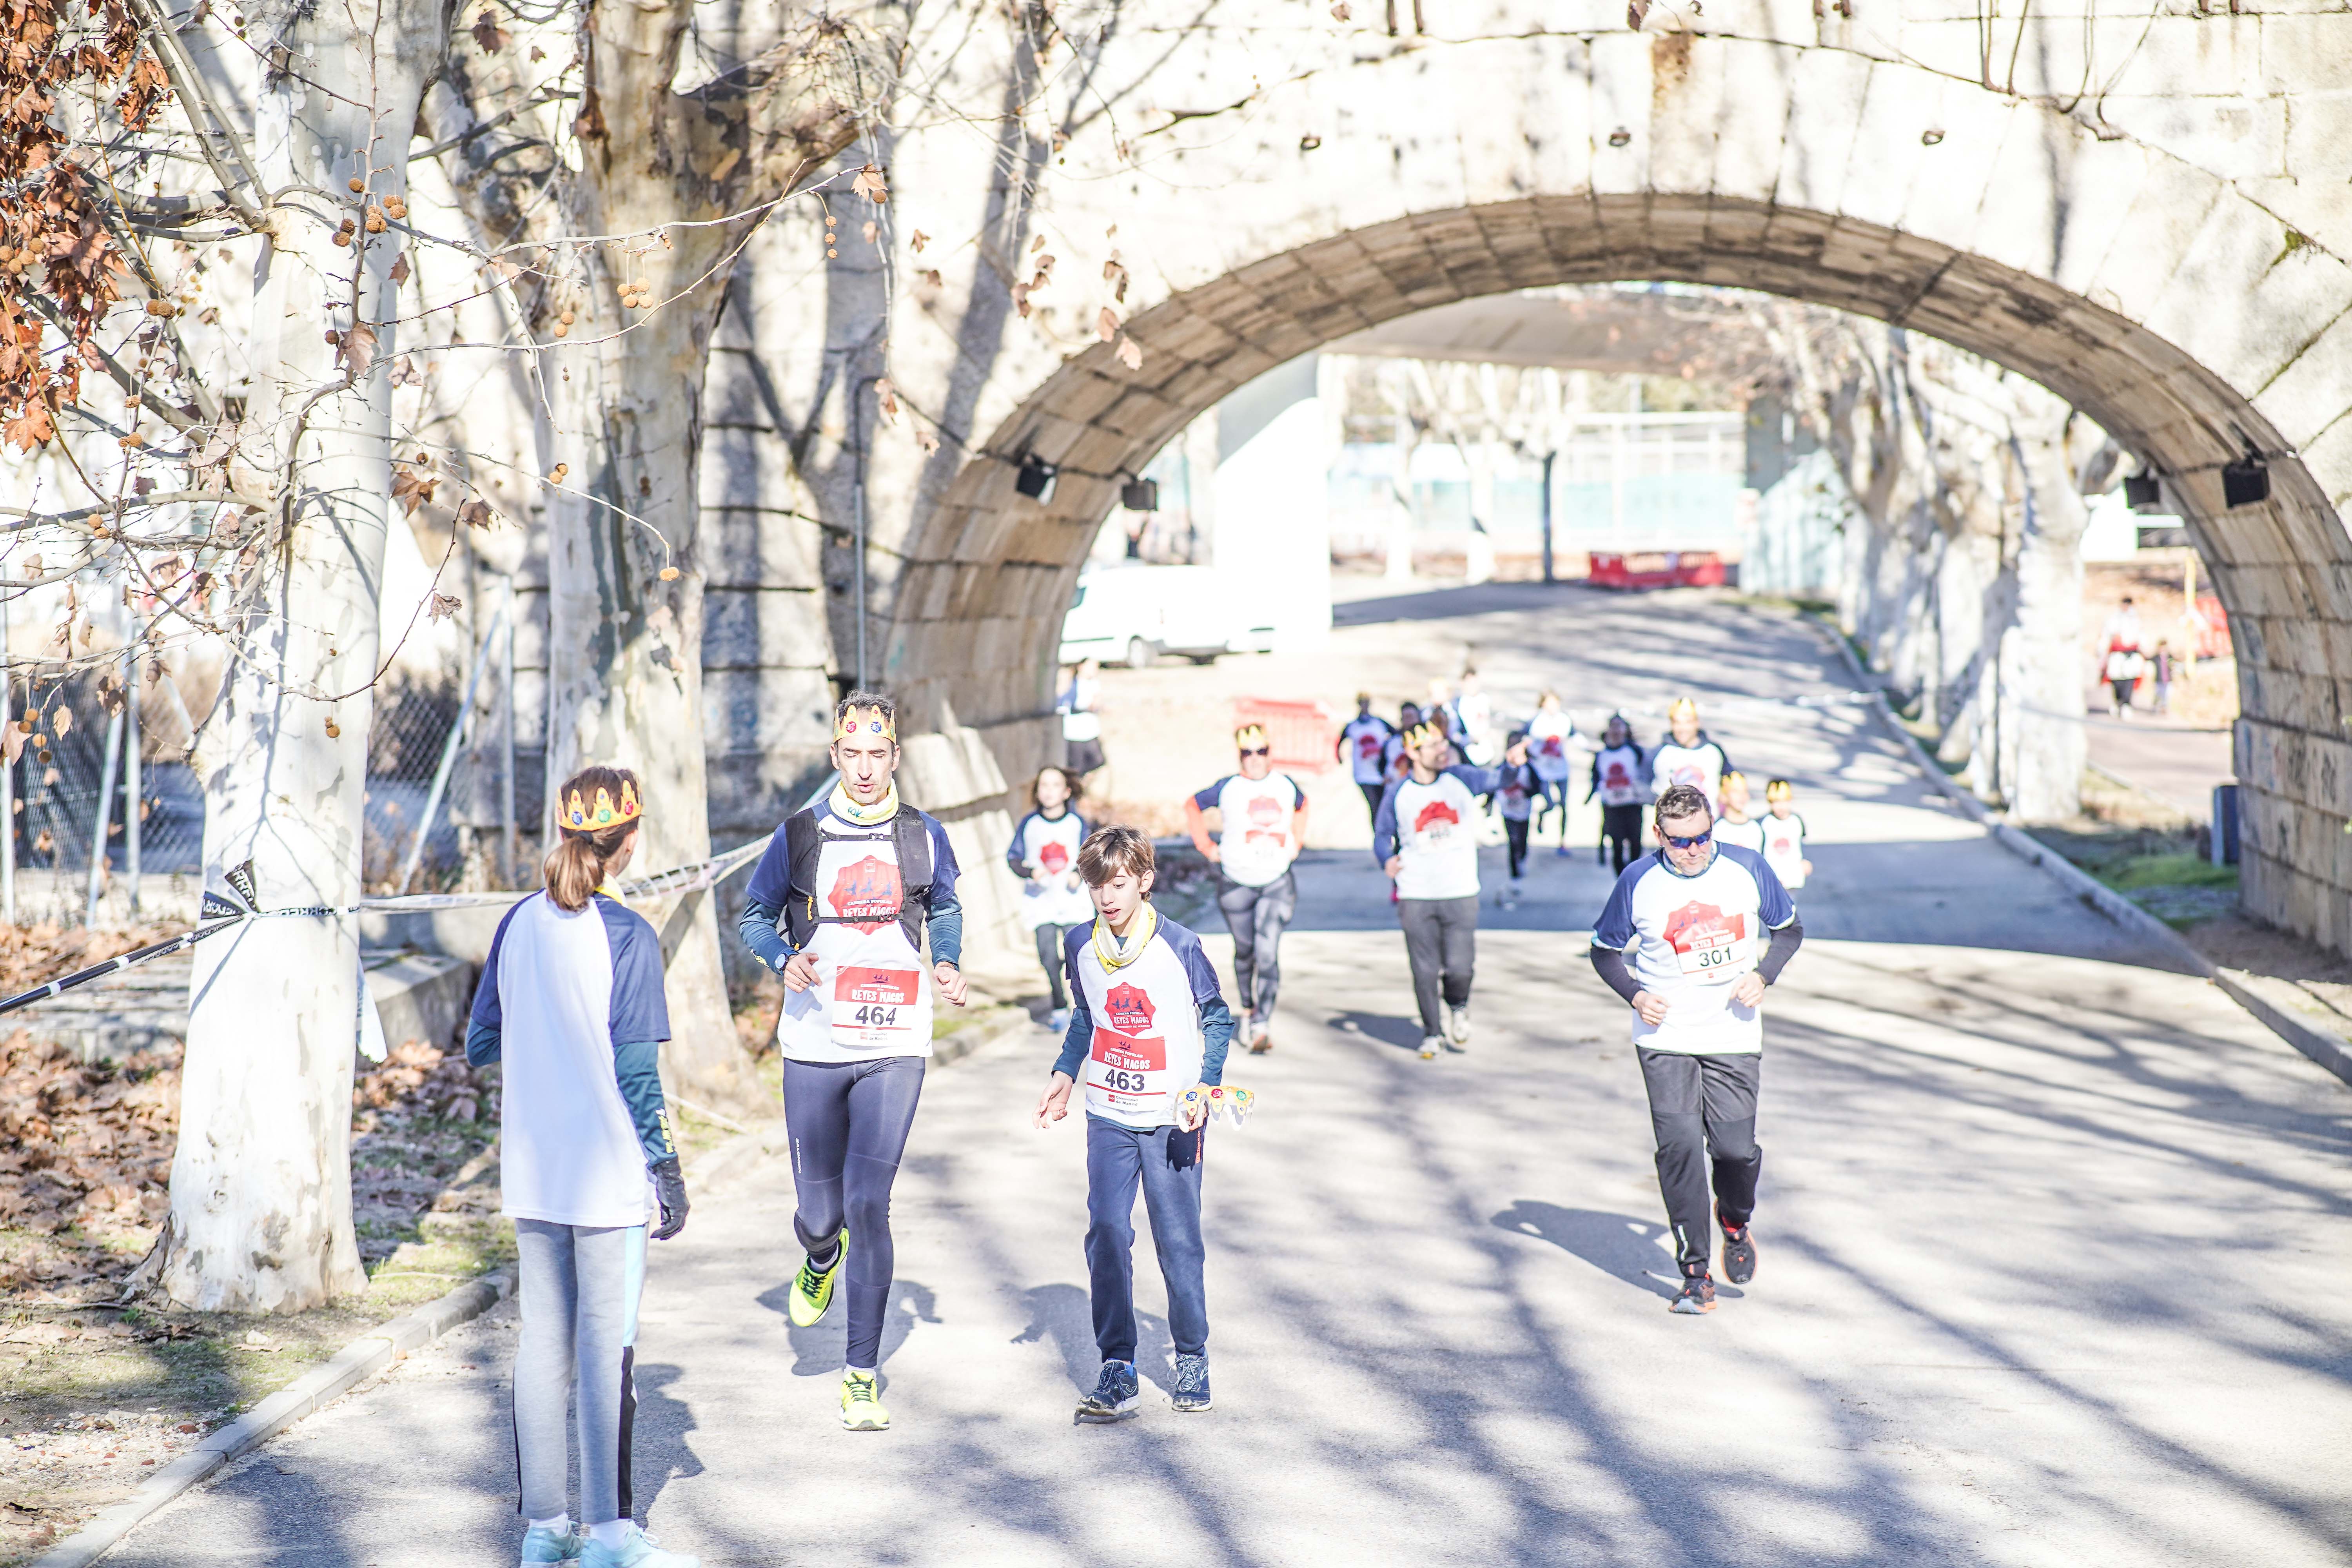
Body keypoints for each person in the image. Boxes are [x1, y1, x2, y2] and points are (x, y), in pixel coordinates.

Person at [466, 766, 697, 1568]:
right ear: (628, 842)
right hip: (606, 1174)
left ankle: (542, 1529)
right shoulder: (628, 935)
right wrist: (668, 1167)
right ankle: (606, 1534)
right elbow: (638, 1073)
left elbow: (481, 1041)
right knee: (608, 1352)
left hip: (533, 1168)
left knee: (542, 1347)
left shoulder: (517, 923)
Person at [736, 691, 968, 1433]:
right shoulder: (801, 835)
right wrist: (782, 957)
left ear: (895, 756)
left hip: (896, 1042)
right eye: (853, 755)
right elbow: (752, 916)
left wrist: (950, 961)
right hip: (814, 1042)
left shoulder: (923, 836)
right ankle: (816, 1254)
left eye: (879, 755)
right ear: (834, 756)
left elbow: (947, 905)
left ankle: (861, 1376)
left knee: (871, 1204)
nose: (866, 769)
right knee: (820, 1214)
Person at [1033, 826, 1236, 1421]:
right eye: (1097, 884)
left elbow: (1218, 1020)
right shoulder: (1079, 944)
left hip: (1174, 1118)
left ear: (1144, 881)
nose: (1106, 896)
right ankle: (1117, 1364)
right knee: (1106, 1232)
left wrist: (1205, 1084)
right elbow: (1084, 1018)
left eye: (1118, 883)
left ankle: (1192, 1353)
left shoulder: (1181, 945)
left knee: (1178, 1244)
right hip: (1110, 1116)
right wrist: (1065, 1074)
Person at [1588, 784, 1804, 1316]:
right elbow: (1604, 952)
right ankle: (1695, 1274)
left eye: (1703, 837)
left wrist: (1763, 976)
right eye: (1681, 841)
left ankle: (1734, 1220)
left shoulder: (1747, 869)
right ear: (1659, 835)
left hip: (1733, 1034)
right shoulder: (1638, 881)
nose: (1694, 850)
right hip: (1666, 1039)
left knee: (1734, 1150)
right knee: (1680, 1148)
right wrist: (1636, 994)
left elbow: (1789, 931)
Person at [1374, 722, 1528, 1058]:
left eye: (1443, 743)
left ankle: (1458, 1004)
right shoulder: (1399, 792)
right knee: (1425, 969)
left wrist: (1512, 766)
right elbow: (1382, 833)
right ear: (1413, 753)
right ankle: (1432, 1032)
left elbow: (1498, 779)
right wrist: (1386, 858)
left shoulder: (1461, 777)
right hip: (1415, 893)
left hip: (1460, 890)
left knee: (1460, 967)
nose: (1442, 750)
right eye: (1433, 746)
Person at [1185, 725, 1307, 1053]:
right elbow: (1192, 806)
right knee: (1246, 951)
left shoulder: (1285, 785)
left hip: (1276, 881)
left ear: (1270, 752)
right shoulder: (1228, 787)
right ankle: (1250, 1006)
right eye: (1247, 753)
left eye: (1261, 751)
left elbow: (1304, 805)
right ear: (1240, 756)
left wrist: (1296, 841)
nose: (1255, 759)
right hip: (1235, 881)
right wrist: (1206, 846)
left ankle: (1261, 1022)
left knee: (1268, 952)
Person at [1007, 766, 1092, 1031]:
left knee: (1078, 956)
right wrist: (1031, 871)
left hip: (1072, 902)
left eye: (1055, 785)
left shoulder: (1078, 824)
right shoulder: (1029, 824)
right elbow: (1013, 858)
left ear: (1067, 792)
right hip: (1041, 901)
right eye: (1044, 786)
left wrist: (1079, 872)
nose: (1049, 791)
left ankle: (1085, 1007)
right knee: (1047, 956)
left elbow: (1093, 856)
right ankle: (1058, 1004)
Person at [1648, 698, 1732, 817]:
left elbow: (1730, 779)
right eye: (1678, 723)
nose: (1683, 729)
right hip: (1672, 827)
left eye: (1688, 722)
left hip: (1708, 825)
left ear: (1697, 723)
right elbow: (1641, 781)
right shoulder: (1659, 752)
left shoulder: (1713, 751)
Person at [1588, 714, 1648, 873]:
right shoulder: (1602, 756)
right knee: (1617, 844)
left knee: (1635, 843)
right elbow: (1596, 777)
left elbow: (1647, 772)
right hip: (1612, 806)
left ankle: (1634, 876)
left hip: (1633, 804)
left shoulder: (1635, 752)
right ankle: (1621, 880)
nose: (1616, 730)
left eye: (1619, 726)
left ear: (1626, 730)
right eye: (1612, 726)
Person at [1489, 730, 1539, 906]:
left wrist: (1524, 792)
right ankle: (1515, 876)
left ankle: (1522, 860)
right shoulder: (1501, 767)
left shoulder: (1529, 768)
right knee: (1513, 841)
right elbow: (1491, 786)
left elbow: (1537, 788)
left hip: (1524, 810)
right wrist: (1488, 805)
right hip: (1507, 811)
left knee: (1523, 841)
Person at [1526, 691, 1577, 852]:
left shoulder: (1564, 720)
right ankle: (1543, 813)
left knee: (1564, 805)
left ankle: (1562, 842)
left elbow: (1575, 736)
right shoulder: (1536, 722)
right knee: (1550, 803)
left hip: (1562, 770)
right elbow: (1527, 743)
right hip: (1543, 772)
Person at [1336, 693, 1397, 824]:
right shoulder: (1353, 726)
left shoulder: (1379, 723)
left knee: (1384, 806)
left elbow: (1397, 736)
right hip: (1363, 774)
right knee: (1374, 806)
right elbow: (1340, 742)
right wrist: (1340, 759)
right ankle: (1378, 836)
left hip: (1381, 773)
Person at [1761, 778, 1811, 890]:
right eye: (1776, 802)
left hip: (1793, 879)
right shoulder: (1764, 823)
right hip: (1772, 881)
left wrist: (1805, 861)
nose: (1780, 806)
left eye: (1784, 801)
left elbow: (1800, 844)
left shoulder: (1797, 821)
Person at [1059, 659, 1106, 777]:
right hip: (1074, 732)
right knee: (1076, 767)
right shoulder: (1072, 683)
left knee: (1098, 760)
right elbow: (1065, 702)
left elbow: (1097, 703)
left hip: (1090, 731)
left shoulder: (1094, 683)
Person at [2102, 597, 2144, 719]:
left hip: (2131, 656)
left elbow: (2141, 637)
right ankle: (2118, 702)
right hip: (2117, 655)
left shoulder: (2136, 620)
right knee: (2117, 681)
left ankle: (2127, 703)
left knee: (2129, 681)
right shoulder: (2114, 619)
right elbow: (2107, 637)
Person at [1713, 771, 1765, 855]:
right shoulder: (1717, 829)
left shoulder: (1756, 828)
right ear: (1723, 795)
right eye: (1735, 791)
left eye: (1744, 791)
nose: (1741, 796)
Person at [2152, 639, 2175, 715]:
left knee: (2167, 694)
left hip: (2168, 679)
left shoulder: (2170, 657)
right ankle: (2156, 705)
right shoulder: (2156, 657)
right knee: (2159, 693)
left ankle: (2164, 707)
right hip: (2159, 679)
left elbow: (2175, 663)